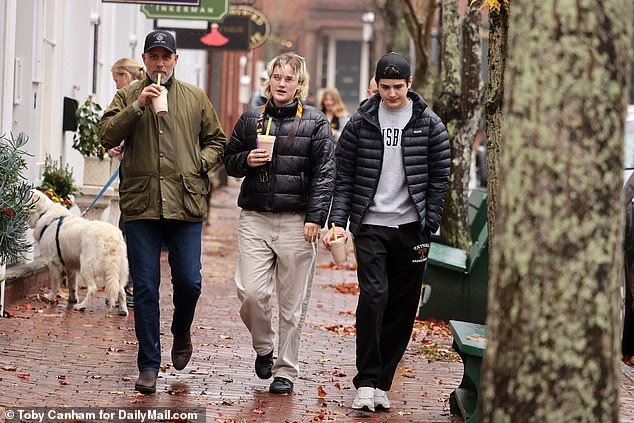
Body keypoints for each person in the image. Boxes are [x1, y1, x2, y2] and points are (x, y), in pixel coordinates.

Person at [99, 30, 227, 394]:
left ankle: (181, 330)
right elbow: (106, 135)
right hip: (141, 205)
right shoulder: (127, 94)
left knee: (190, 281)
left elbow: (218, 140)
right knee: (145, 289)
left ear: (175, 60)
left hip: (185, 204)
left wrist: (199, 164)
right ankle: (149, 365)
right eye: (153, 56)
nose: (159, 63)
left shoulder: (194, 97)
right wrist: (137, 104)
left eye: (165, 57)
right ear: (144, 59)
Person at [323, 52, 450, 412]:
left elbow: (440, 176)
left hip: (412, 229)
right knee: (375, 296)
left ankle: (383, 382)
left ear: (410, 85)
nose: (391, 94)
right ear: (375, 85)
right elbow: (344, 176)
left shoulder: (429, 124)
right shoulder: (360, 123)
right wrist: (340, 221)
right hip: (372, 225)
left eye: (398, 87)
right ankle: (365, 379)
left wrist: (431, 220)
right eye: (385, 86)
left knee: (402, 306)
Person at [223, 52, 335, 395]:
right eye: (277, 77)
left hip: (297, 222)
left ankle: (286, 369)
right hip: (255, 216)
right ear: (268, 80)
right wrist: (246, 159)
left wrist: (316, 218)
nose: (282, 83)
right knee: (251, 292)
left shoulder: (316, 123)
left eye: (289, 78)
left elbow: (325, 175)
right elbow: (228, 162)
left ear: (300, 84)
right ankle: (264, 347)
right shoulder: (251, 118)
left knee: (291, 304)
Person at [107, 57, 145, 307]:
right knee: (127, 231)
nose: (115, 85)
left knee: (129, 233)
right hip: (130, 176)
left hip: (137, 179)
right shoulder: (125, 99)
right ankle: (128, 286)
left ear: (126, 77)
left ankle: (130, 286)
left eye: (116, 79)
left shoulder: (137, 97)